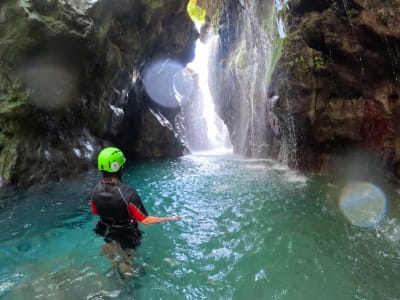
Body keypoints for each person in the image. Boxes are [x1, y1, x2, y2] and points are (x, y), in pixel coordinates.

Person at [90, 146, 181, 277]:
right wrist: (170, 218)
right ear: (119, 168)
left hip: (106, 229)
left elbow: (95, 211)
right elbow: (145, 220)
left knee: (115, 255)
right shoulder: (128, 193)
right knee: (129, 262)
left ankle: (116, 269)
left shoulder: (94, 191)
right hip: (126, 232)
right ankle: (128, 285)